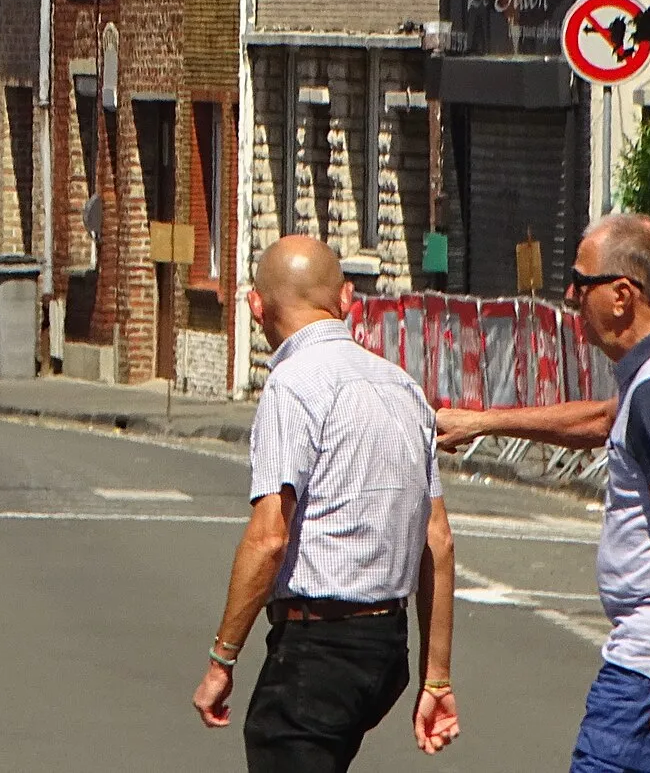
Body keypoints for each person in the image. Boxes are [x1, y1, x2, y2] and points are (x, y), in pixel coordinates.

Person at [439, 214, 650, 773]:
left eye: (581, 282)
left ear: (622, 295)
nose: (570, 296)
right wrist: (483, 422)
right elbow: (604, 420)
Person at [193, 235, 460, 770]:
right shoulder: (403, 387)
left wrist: (223, 658)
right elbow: (438, 539)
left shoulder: (293, 385)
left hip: (320, 646)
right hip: (386, 646)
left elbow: (270, 537)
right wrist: (437, 676)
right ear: (345, 300)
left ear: (255, 305)